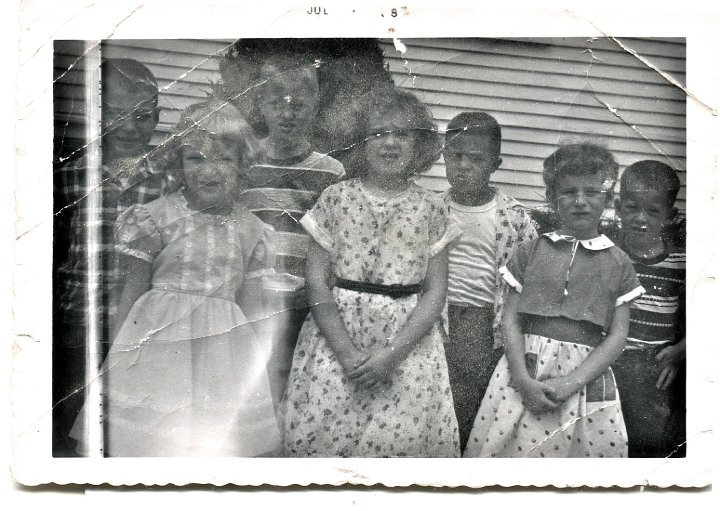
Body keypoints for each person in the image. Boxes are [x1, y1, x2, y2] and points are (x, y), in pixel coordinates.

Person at [93, 100, 281, 457]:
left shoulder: (254, 231)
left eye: (224, 159)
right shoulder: (152, 218)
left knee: (214, 447)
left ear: (242, 163)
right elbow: (130, 295)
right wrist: (114, 359)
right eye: (196, 159)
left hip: (224, 357)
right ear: (179, 163)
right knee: (152, 445)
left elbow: (256, 313)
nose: (209, 170)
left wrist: (262, 377)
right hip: (157, 350)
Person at [281, 88, 461, 457]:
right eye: (378, 133)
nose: (389, 143)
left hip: (405, 346)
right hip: (337, 338)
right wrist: (346, 353)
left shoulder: (432, 209)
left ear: (420, 144)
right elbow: (316, 279)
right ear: (360, 142)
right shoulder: (335, 198)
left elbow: (435, 292)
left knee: (395, 447)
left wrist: (392, 355)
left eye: (402, 134)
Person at [464, 143, 645, 458]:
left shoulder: (619, 263)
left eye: (591, 191)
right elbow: (510, 319)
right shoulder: (531, 252)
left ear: (609, 200)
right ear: (551, 199)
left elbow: (617, 337)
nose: (579, 201)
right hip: (524, 372)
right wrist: (521, 379)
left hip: (583, 379)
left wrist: (572, 382)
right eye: (568, 192)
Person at [53, 58, 173, 456]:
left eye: (141, 115)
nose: (129, 126)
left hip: (139, 322)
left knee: (128, 429)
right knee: (68, 423)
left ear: (156, 118)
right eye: (117, 113)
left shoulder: (170, 179)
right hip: (78, 321)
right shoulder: (71, 173)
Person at [237, 56, 346, 410]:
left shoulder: (331, 171)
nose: (288, 114)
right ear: (261, 106)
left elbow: (334, 242)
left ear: (314, 107)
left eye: (298, 105)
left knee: (291, 386)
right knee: (249, 383)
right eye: (276, 104)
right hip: (250, 296)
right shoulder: (244, 163)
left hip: (302, 300)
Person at [441, 112, 537, 452]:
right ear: (443, 154)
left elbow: (532, 276)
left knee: (478, 402)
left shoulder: (514, 216)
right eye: (456, 156)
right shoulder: (432, 210)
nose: (464, 165)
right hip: (438, 320)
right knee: (440, 401)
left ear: (494, 164)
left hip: (487, 322)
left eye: (476, 158)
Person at [612, 160, 686, 457]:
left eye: (653, 211)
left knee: (647, 440)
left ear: (670, 216)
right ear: (618, 206)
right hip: (610, 359)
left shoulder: (681, 262)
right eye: (632, 207)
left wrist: (683, 348)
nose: (640, 219)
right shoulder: (608, 253)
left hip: (655, 365)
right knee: (607, 434)